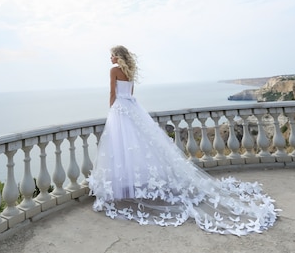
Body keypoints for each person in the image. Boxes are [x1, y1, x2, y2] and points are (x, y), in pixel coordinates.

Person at [88, 45, 279, 235]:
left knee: (124, 147)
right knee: (141, 145)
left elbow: (113, 94)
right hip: (132, 107)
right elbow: (130, 94)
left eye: (112, 55)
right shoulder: (130, 71)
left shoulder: (114, 71)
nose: (110, 59)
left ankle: (124, 187)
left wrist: (112, 110)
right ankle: (135, 185)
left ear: (118, 57)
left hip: (120, 109)